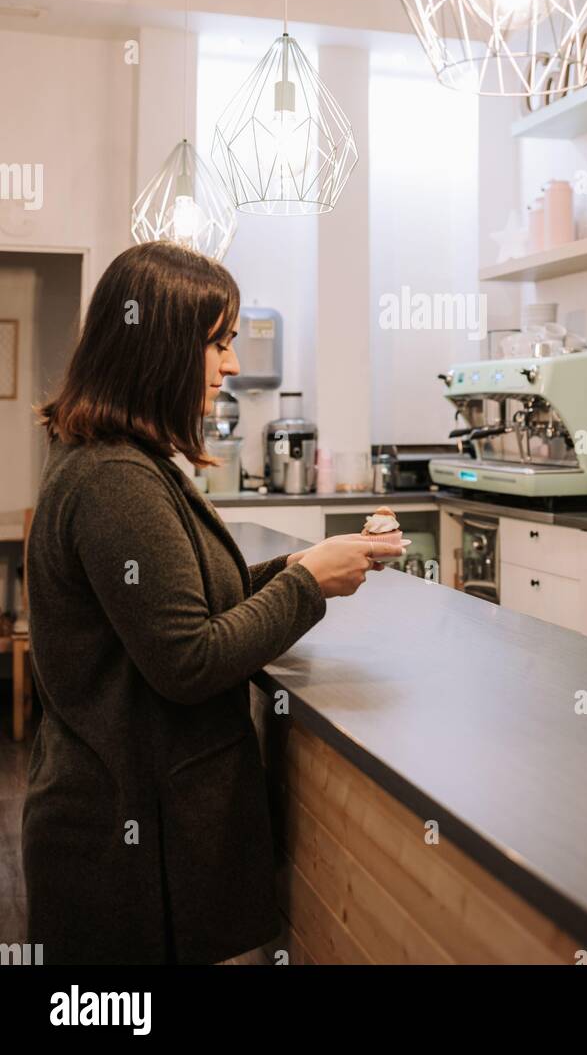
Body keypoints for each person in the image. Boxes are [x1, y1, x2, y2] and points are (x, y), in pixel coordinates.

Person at [22, 241, 403, 965]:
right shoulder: (115, 482)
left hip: (126, 822)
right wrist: (306, 584)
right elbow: (188, 661)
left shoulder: (121, 462)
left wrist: (300, 566)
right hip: (124, 841)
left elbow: (185, 607)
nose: (231, 364)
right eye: (218, 343)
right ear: (160, 346)